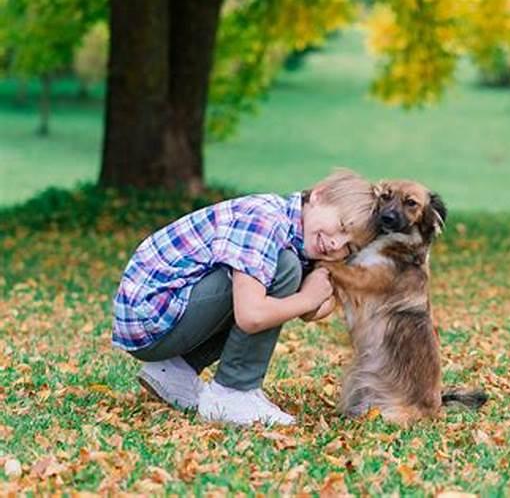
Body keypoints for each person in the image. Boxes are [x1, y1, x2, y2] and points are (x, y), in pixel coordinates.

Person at [111, 170, 377, 426]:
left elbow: (311, 313)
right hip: (151, 315)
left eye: (348, 247)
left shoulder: (299, 234)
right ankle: (233, 393)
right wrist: (307, 298)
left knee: (283, 272)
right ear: (319, 195)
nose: (335, 245)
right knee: (284, 268)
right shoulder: (265, 218)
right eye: (341, 226)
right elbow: (252, 316)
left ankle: (176, 371)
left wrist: (329, 279)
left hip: (161, 319)